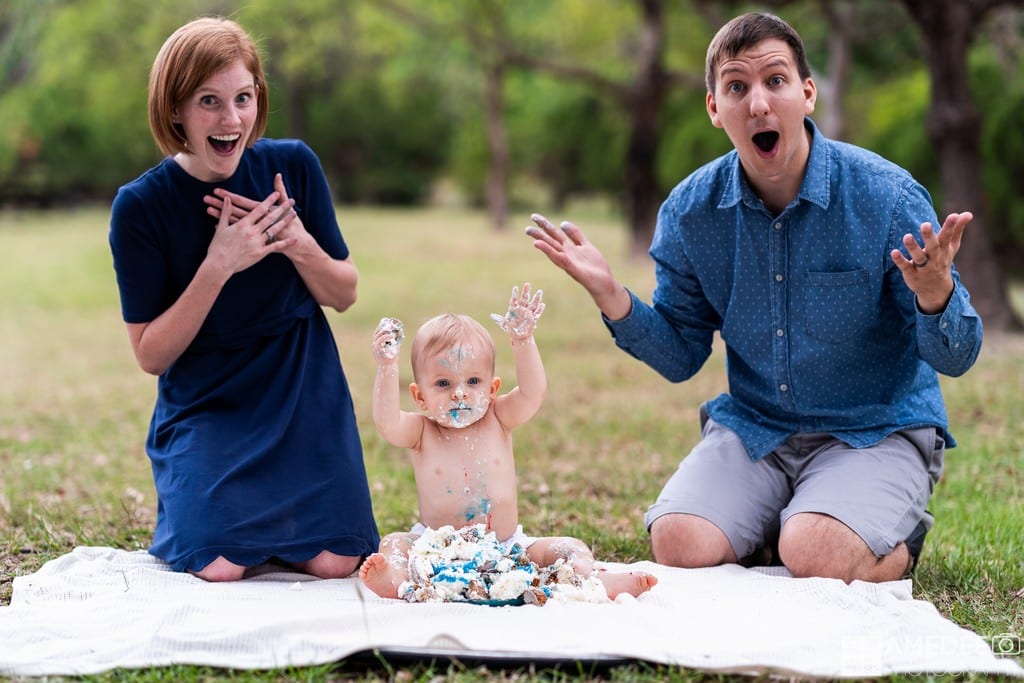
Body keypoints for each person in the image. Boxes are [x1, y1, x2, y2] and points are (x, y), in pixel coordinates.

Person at [524, 12, 982, 584]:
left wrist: (937, 296)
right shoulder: (691, 213)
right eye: (737, 87)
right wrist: (612, 295)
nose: (758, 103)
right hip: (758, 430)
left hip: (875, 429)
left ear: (807, 93)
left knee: (814, 551)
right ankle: (791, 518)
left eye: (776, 80)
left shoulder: (885, 198)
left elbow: (957, 357)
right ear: (715, 109)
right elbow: (682, 355)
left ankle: (886, 535)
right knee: (678, 542)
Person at [108, 17, 379, 581]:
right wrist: (218, 265)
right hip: (209, 402)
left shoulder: (294, 165)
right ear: (175, 109)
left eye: (243, 98)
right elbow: (150, 355)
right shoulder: (140, 207)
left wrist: (299, 244)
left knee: (337, 561)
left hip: (301, 387)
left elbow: (345, 293)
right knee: (220, 564)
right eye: (209, 101)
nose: (231, 120)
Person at [359, 284, 658, 600]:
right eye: (443, 383)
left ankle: (595, 582)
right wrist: (387, 367)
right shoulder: (422, 432)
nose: (459, 393)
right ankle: (397, 581)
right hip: (436, 552)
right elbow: (387, 422)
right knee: (393, 543)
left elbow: (533, 392)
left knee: (571, 549)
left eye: (473, 381)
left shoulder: (498, 417)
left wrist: (523, 340)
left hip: (507, 548)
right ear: (420, 396)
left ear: (492, 388)